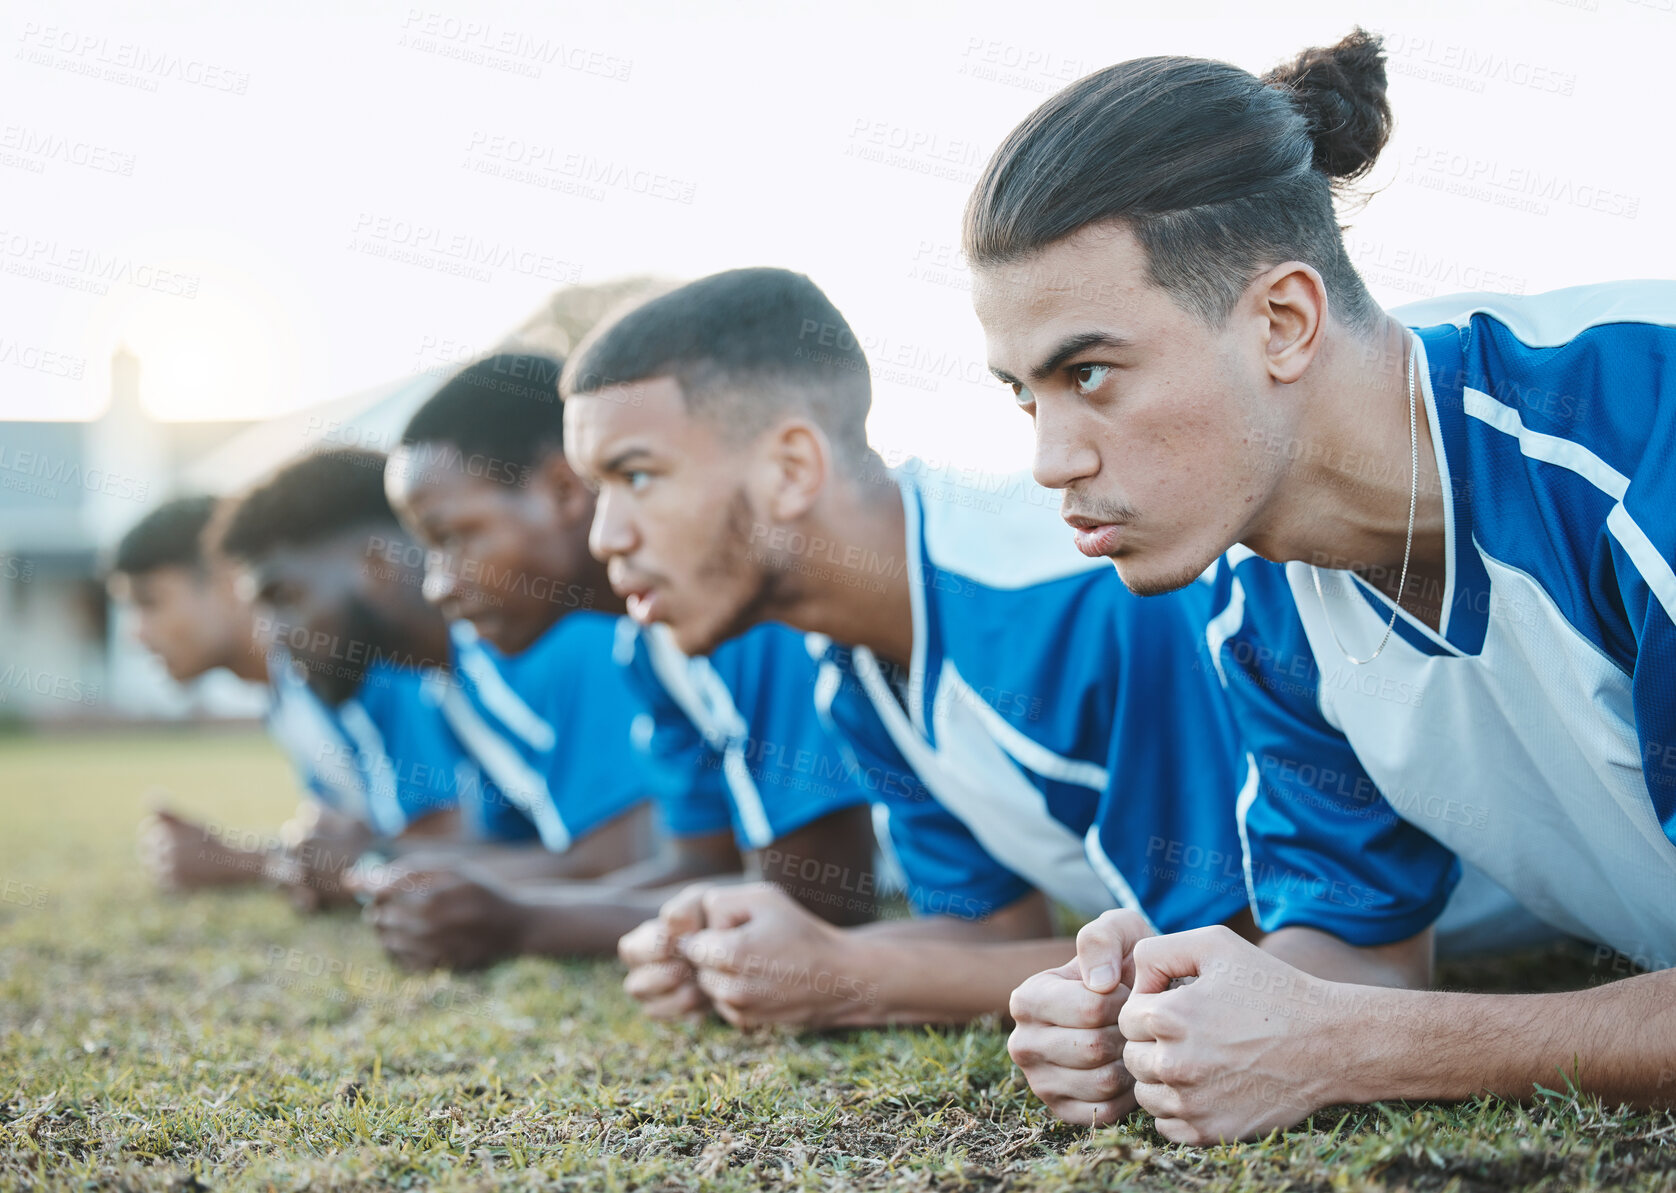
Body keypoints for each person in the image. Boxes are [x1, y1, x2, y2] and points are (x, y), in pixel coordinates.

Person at [963, 28, 1676, 1140]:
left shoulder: (1636, 445)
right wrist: (1170, 1014)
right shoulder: (1264, 600)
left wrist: (1352, 1044)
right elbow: (1355, 949)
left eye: (1087, 372)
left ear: (1282, 322)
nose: (1050, 458)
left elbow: (1356, 1024)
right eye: (1024, 393)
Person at [561, 267, 1253, 1028]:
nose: (605, 536)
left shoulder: (1067, 598)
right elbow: (993, 930)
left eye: (636, 475)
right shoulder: (853, 664)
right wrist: (766, 957)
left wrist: (850, 969)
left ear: (792, 468)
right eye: (598, 489)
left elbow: (1237, 953)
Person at [362, 352, 877, 971]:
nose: (438, 584)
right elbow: (698, 869)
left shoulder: (741, 617)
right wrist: (505, 907)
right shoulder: (645, 650)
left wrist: (522, 921)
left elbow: (812, 903)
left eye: (454, 537)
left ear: (558, 490)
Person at [212, 445, 653, 902]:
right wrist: (377, 861)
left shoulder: (551, 644)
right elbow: (519, 845)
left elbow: (621, 860)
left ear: (376, 566)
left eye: (284, 598)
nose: (271, 637)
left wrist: (372, 867)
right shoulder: (443, 684)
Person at [108, 495, 383, 904]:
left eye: (150, 602)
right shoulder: (282, 697)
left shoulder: (335, 662)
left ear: (227, 579)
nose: (136, 634)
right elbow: (348, 842)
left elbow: (434, 844)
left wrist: (238, 864)